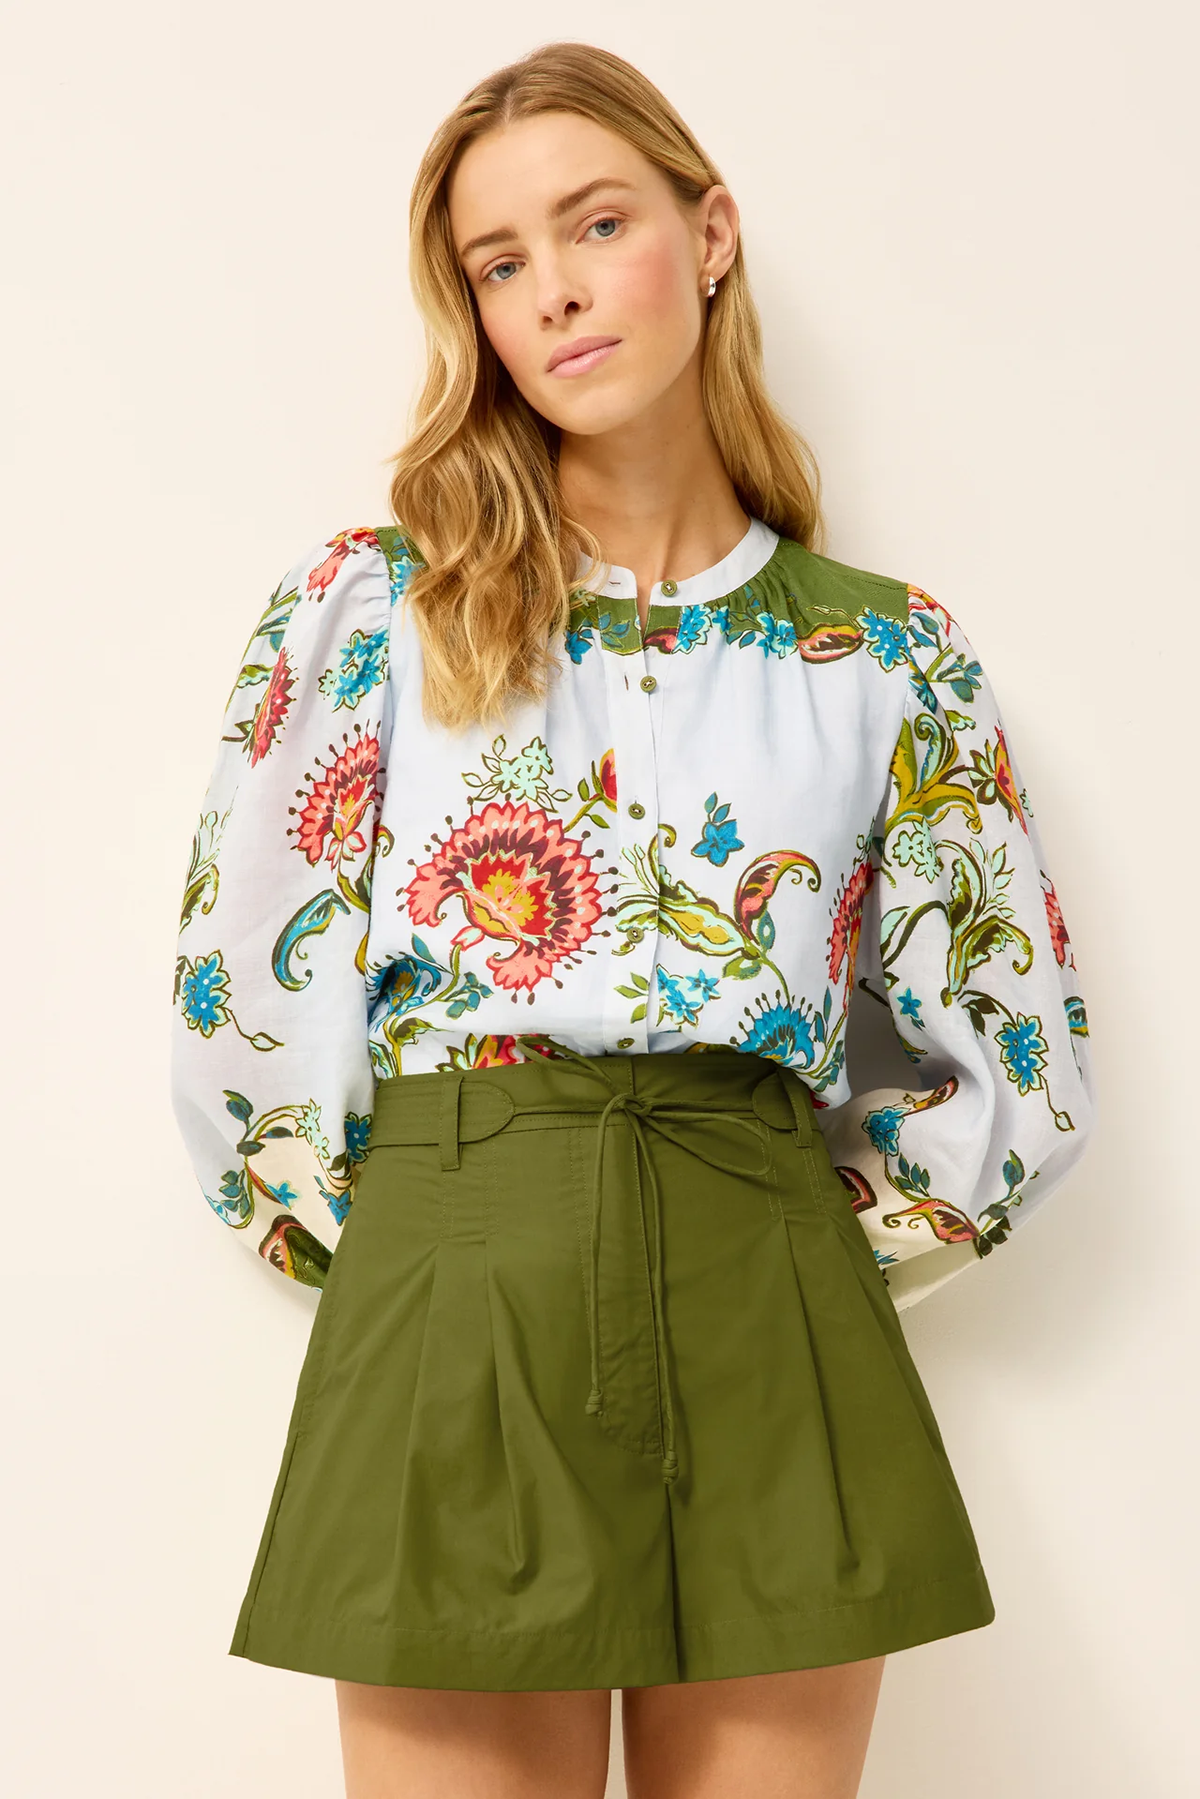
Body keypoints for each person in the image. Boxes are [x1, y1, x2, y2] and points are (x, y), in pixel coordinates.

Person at [169, 39, 1096, 1799]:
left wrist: (801, 1245)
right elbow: (244, 1017)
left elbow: (1013, 1047)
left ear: (712, 231)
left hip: (771, 1302)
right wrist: (431, 1251)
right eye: (499, 264)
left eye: (596, 223)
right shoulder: (373, 615)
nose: (556, 291)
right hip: (455, 1296)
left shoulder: (884, 656)